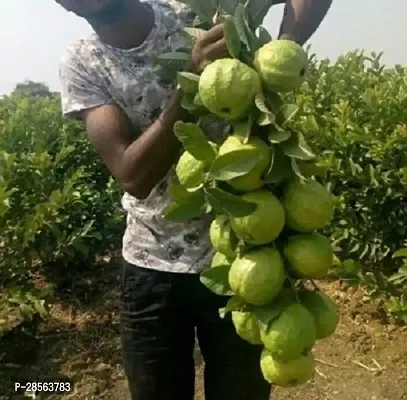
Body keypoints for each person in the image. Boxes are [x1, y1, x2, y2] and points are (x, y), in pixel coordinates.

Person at [56, 0, 332, 398]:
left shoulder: (194, 13)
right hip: (151, 268)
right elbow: (132, 174)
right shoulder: (83, 62)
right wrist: (193, 81)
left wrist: (279, 52)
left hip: (248, 261)